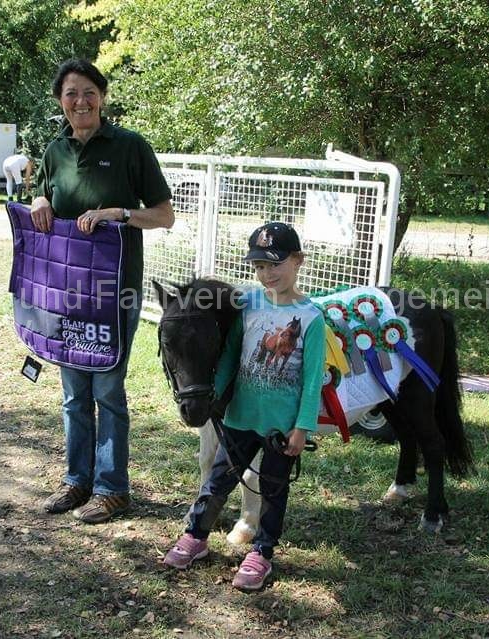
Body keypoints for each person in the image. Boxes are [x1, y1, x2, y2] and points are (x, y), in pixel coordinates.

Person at [31, 58, 174, 524]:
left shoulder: (131, 147)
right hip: (66, 292)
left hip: (115, 293)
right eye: (71, 93)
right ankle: (78, 481)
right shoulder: (54, 151)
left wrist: (120, 213)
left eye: (89, 92)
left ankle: (113, 490)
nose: (81, 101)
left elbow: (164, 215)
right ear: (60, 101)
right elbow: (45, 197)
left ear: (102, 97)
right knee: (73, 392)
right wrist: (39, 200)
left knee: (108, 390)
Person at [162, 221, 326, 591]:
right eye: (260, 266)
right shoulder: (249, 305)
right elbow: (232, 355)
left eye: (275, 264)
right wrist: (217, 397)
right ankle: (195, 536)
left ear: (298, 260)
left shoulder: (312, 319)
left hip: (280, 426)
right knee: (217, 481)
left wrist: (302, 428)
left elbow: (313, 379)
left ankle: (262, 552)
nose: (267, 274)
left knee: (273, 490)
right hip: (239, 417)